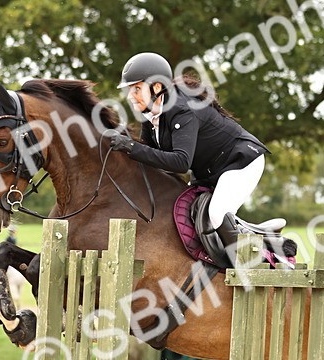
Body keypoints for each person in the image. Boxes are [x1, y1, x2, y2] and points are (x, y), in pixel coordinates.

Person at [106, 52, 270, 251]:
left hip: (240, 162)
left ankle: (254, 260)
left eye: (137, 89)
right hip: (208, 171)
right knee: (184, 211)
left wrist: (131, 146)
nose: (130, 96)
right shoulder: (150, 115)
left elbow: (181, 162)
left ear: (156, 87)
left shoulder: (182, 110)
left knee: (216, 215)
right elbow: (149, 155)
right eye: (130, 90)